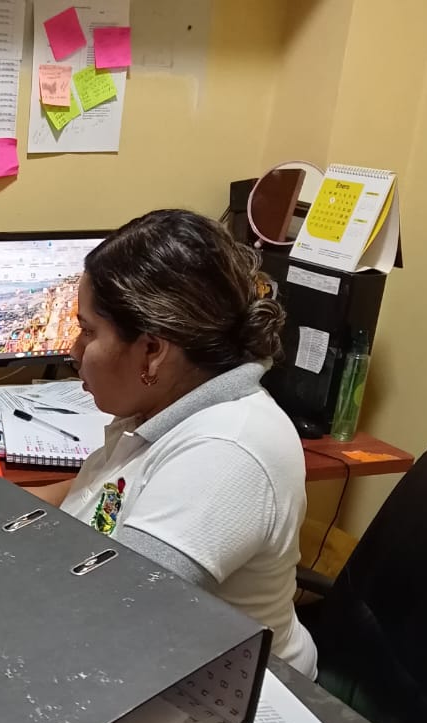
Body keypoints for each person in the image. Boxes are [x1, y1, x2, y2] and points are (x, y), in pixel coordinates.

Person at [32, 209, 318, 677]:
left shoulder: (226, 453)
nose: (74, 351)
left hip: (229, 693)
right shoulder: (164, 407)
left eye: (88, 331)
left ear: (152, 350)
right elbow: (99, 492)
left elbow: (114, 612)